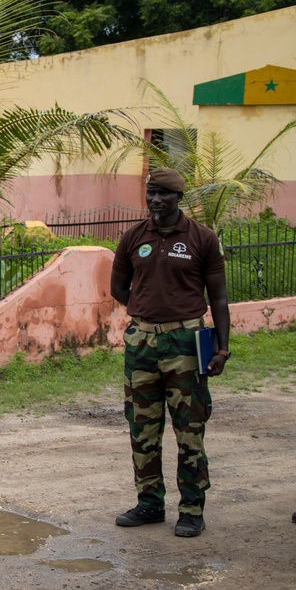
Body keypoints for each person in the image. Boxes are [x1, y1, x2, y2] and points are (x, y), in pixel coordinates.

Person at [110, 167, 230, 538]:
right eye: (151, 193)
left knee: (189, 429)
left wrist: (223, 348)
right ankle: (149, 504)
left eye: (164, 194)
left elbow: (220, 297)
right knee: (142, 428)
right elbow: (118, 287)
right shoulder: (133, 237)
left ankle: (192, 509)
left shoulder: (202, 239)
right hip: (141, 344)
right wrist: (148, 313)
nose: (156, 200)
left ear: (179, 197)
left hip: (186, 345)